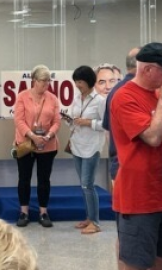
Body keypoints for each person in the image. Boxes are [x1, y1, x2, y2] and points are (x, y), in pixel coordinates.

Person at [109, 42, 162, 270]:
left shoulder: (158, 93)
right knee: (136, 268)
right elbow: (152, 136)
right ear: (149, 70)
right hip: (139, 198)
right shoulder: (124, 97)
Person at [13, 64, 61, 228]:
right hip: (26, 143)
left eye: (48, 81)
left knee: (44, 180)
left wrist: (47, 136)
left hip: (47, 145)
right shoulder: (22, 96)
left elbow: (56, 122)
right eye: (42, 81)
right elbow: (18, 120)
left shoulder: (53, 99)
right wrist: (33, 136)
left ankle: (43, 212)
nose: (46, 84)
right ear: (34, 80)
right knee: (24, 179)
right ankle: (24, 212)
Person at [67, 65, 106, 234]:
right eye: (76, 81)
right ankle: (89, 217)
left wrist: (88, 122)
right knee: (82, 185)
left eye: (80, 81)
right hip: (76, 145)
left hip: (91, 147)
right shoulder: (76, 98)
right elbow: (72, 115)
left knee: (87, 185)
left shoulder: (100, 101)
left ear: (89, 81)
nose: (77, 85)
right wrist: (69, 119)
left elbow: (106, 124)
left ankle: (96, 223)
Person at [102, 48, 139, 184]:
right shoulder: (136, 92)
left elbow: (107, 131)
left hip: (118, 164)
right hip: (133, 168)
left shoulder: (114, 92)